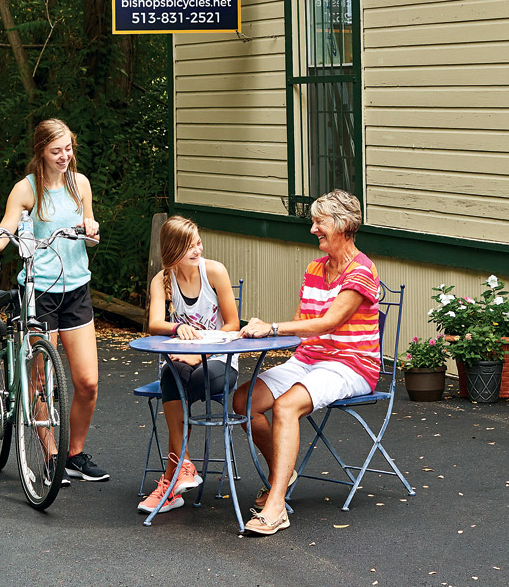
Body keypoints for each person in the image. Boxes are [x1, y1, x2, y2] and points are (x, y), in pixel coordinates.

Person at [0, 118, 109, 483]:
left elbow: (90, 236)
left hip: (76, 290)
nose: (65, 156)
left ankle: (75, 454)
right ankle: (51, 456)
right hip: (38, 292)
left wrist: (93, 229)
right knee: (42, 381)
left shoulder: (80, 185)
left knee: (87, 383)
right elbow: (2, 239)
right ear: (41, 151)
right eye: (57, 151)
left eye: (68, 149)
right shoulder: (25, 191)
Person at [233, 189, 380, 535]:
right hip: (309, 360)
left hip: (351, 364)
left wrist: (272, 326)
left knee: (286, 407)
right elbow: (303, 326)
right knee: (241, 402)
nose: (313, 229)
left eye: (319, 222)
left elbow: (328, 322)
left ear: (343, 225)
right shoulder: (315, 268)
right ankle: (280, 472)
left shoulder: (362, 270)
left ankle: (276, 505)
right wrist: (253, 337)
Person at [137, 215, 240, 513]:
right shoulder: (163, 280)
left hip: (219, 362)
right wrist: (176, 329)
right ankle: (182, 467)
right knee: (170, 373)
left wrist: (202, 351)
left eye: (198, 242)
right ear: (173, 250)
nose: (198, 249)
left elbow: (233, 324)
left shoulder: (214, 272)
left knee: (179, 382)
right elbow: (155, 323)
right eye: (189, 245)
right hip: (182, 362)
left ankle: (173, 477)